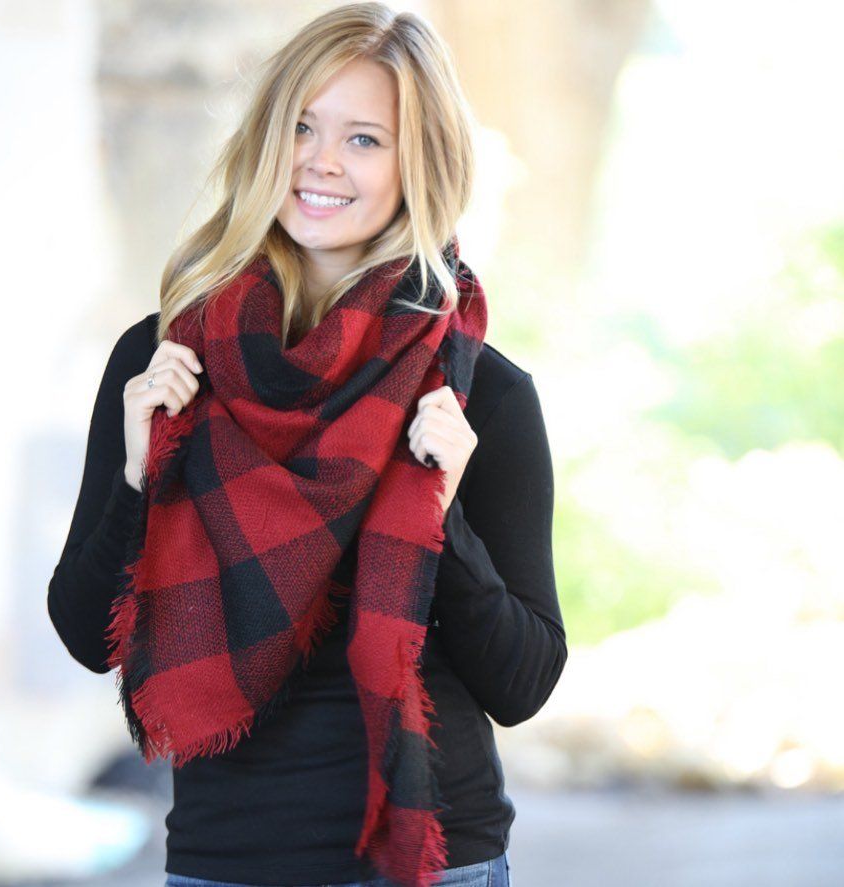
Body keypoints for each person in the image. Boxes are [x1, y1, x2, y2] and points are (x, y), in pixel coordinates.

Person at [47, 4, 567, 886]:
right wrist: (138, 475)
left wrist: (445, 519)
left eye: (365, 139)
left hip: (431, 857)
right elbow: (84, 634)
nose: (321, 161)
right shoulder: (166, 360)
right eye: (300, 126)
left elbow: (521, 683)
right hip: (230, 855)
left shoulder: (479, 394)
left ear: (420, 164)